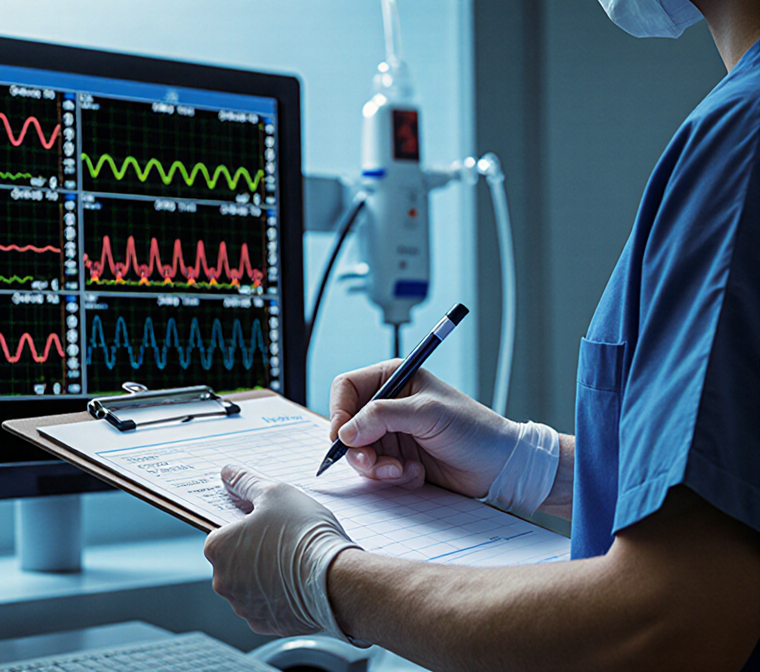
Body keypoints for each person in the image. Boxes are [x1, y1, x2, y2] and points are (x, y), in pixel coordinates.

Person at [202, 0, 760, 669]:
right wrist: (524, 464)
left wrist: (323, 576)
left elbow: (673, 624)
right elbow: (737, 493)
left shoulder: (741, 146)